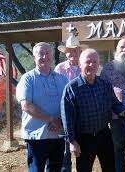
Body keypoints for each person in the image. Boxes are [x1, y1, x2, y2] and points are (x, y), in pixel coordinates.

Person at [61, 48, 125, 172]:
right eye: (88, 62)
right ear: (80, 64)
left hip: (104, 134)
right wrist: (72, 141)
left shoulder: (104, 84)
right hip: (83, 138)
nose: (92, 65)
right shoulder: (71, 88)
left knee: (110, 168)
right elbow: (67, 118)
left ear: (98, 64)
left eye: (95, 62)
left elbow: (115, 104)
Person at [16, 42, 68, 172]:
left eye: (48, 53)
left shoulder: (62, 79)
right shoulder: (27, 79)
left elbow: (68, 104)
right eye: (41, 54)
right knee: (36, 169)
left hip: (57, 135)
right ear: (34, 57)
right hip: (36, 136)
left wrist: (60, 122)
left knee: (55, 169)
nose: (45, 56)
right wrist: (51, 119)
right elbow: (26, 106)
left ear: (52, 56)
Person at [101, 38, 125, 172]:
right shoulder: (108, 67)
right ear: (116, 50)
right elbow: (103, 91)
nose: (124, 50)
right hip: (116, 116)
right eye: (122, 47)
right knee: (118, 149)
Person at [54, 27, 82, 172]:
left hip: (82, 115)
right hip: (65, 113)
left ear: (80, 51)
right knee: (65, 153)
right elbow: (56, 92)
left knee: (83, 153)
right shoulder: (59, 69)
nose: (72, 53)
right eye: (69, 50)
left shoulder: (85, 67)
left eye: (75, 50)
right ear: (66, 53)